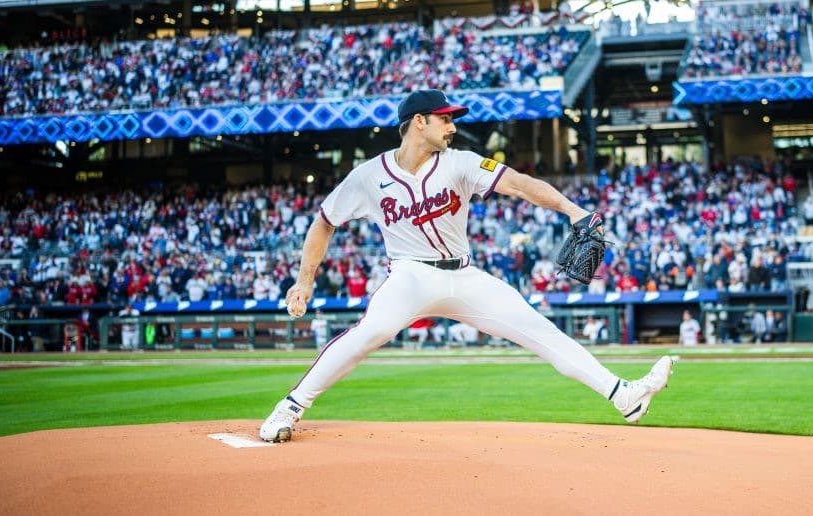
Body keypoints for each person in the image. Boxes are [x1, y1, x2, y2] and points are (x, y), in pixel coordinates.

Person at [260, 90, 674, 442]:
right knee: (375, 329)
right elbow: (324, 221)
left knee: (537, 328)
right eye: (445, 119)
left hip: (465, 276)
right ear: (418, 122)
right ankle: (289, 407)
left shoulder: (459, 162)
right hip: (410, 275)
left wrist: (571, 209)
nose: (452, 126)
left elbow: (519, 183)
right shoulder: (369, 176)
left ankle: (623, 395)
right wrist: (304, 280)